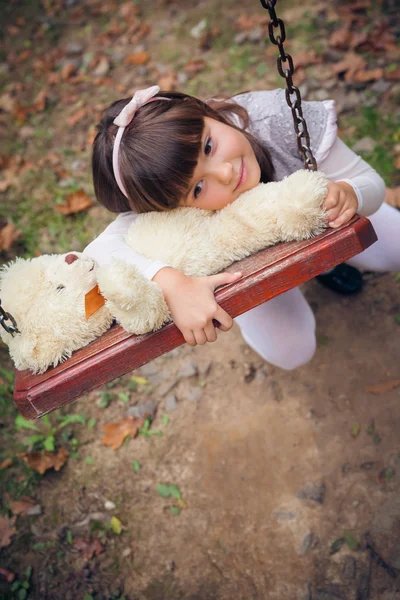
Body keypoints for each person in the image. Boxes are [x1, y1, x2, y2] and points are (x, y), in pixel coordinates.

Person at [84, 85, 399, 370]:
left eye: (208, 146)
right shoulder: (158, 193)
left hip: (324, 220)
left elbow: (368, 180)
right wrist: (172, 283)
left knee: (394, 249)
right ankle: (258, 312)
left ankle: (327, 268)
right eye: (197, 189)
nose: (224, 172)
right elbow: (98, 253)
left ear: (205, 113)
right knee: (291, 351)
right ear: (169, 208)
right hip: (250, 263)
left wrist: (351, 193)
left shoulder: (273, 118)